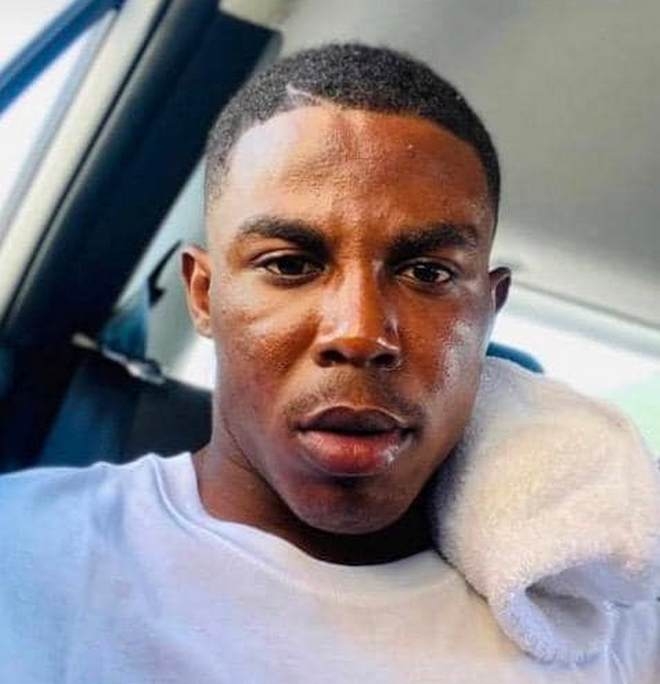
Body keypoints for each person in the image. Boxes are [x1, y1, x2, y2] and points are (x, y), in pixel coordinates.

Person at [1, 43, 658, 683]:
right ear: (204, 295)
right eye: (290, 264)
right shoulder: (25, 556)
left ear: (489, 311)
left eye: (428, 273)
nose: (361, 333)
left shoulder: (613, 634)